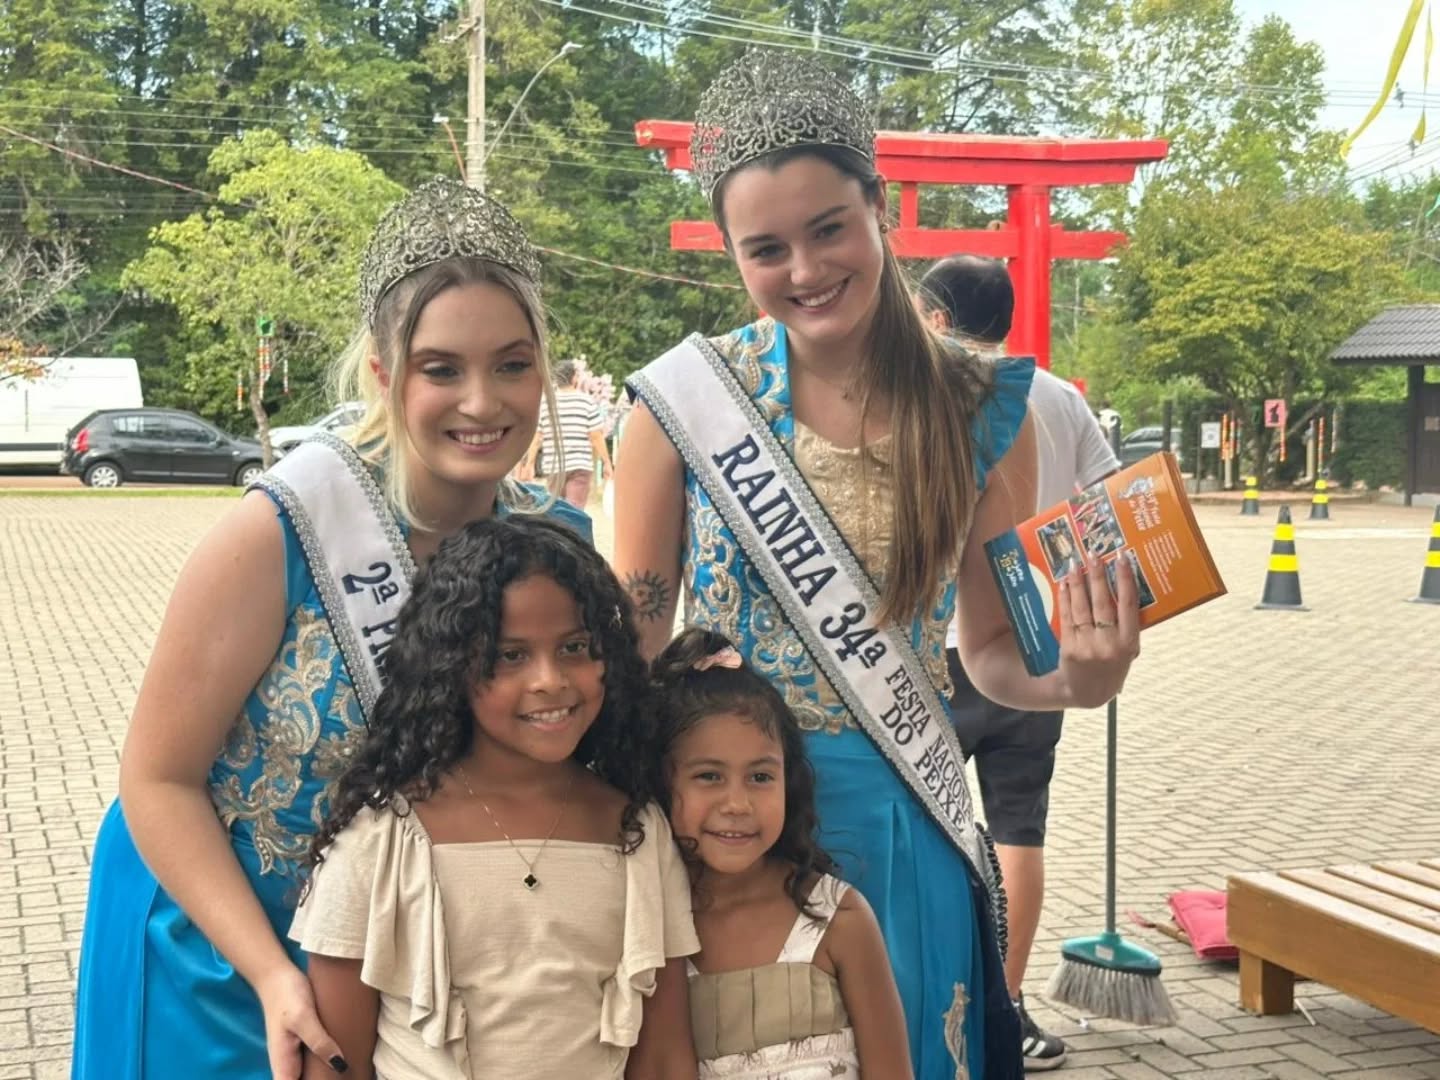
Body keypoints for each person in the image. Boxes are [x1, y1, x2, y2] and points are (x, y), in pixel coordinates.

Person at [613, 49, 1140, 1080]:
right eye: (767, 249)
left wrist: (1084, 678)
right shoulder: (682, 409)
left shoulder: (982, 409)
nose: (805, 270)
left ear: (879, 210)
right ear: (731, 254)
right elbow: (630, 654)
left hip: (902, 821)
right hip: (728, 837)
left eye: (828, 229)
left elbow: (991, 651)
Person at [71, 178, 592, 1080]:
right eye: (441, 369)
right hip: (221, 955)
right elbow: (156, 781)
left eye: (512, 365)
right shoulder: (280, 529)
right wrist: (273, 977)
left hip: (405, 963)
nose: (482, 402)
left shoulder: (560, 541)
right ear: (385, 375)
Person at [291, 516, 699, 1079]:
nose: (550, 680)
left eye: (575, 647)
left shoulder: (635, 830)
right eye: (510, 655)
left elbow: (664, 1055)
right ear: (451, 667)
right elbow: (335, 1063)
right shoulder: (381, 839)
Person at [920, 254, 1120, 1072]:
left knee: (929, 831)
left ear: (935, 318)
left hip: (936, 649)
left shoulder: (924, 391)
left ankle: (936, 1004)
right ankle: (1006, 1007)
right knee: (1016, 828)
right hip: (1037, 648)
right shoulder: (1059, 396)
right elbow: (1106, 510)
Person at [652, 628, 911, 1079]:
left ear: (789, 782)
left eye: (760, 777)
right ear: (658, 781)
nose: (738, 804)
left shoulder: (838, 918)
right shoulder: (648, 927)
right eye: (709, 776)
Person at [525, 358, 615, 508]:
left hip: (554, 466)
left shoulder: (546, 403)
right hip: (579, 464)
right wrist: (607, 462)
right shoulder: (586, 401)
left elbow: (537, 437)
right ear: (574, 378)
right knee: (575, 510)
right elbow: (596, 436)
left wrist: (530, 463)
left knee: (555, 510)